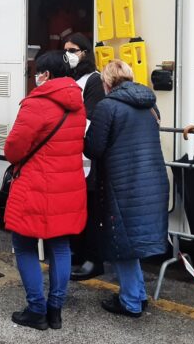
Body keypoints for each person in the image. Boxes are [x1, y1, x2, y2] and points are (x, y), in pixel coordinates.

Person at [3, 51, 86, 331]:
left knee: (25, 245)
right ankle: (55, 311)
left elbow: (13, 149)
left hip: (35, 186)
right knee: (61, 248)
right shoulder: (78, 103)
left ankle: (36, 309)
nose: (35, 77)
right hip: (68, 186)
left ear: (46, 75)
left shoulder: (36, 104)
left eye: (37, 72)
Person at [84, 59, 169, 318]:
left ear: (107, 82)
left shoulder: (107, 107)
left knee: (121, 241)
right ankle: (138, 295)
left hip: (122, 183)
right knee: (130, 241)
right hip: (151, 180)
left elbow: (94, 148)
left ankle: (131, 301)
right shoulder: (150, 103)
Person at [64, 33, 107, 281]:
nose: (68, 54)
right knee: (76, 208)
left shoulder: (93, 80)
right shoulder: (71, 78)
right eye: (65, 50)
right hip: (72, 155)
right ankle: (79, 252)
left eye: (73, 49)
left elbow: (89, 117)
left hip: (87, 156)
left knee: (90, 210)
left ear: (85, 53)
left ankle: (94, 259)